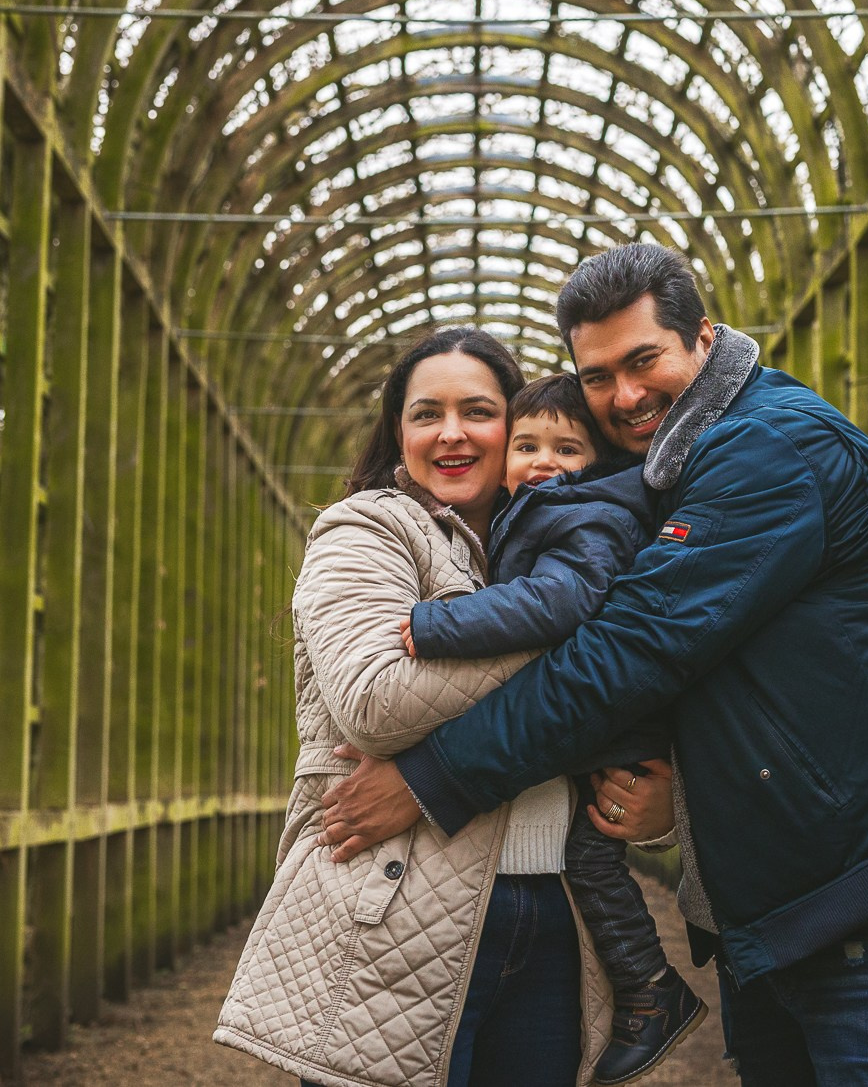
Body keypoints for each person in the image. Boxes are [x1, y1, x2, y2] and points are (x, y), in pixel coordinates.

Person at [319, 245, 868, 1086]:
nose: (624, 394)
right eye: (597, 375)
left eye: (643, 359)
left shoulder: (768, 449)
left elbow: (635, 651)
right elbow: (722, 670)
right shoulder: (670, 477)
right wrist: (679, 792)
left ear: (703, 336)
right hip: (796, 891)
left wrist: (435, 775)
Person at [212, 328, 619, 1087]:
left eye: (479, 411)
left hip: (554, 917)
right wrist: (594, 633)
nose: (453, 432)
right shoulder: (366, 528)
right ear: (399, 433)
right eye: (426, 412)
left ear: (518, 425)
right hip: (391, 910)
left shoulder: (562, 548)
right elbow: (375, 703)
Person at [399, 372, 705, 1084]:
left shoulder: (585, 515)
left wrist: (438, 624)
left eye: (566, 448)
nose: (542, 460)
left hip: (613, 725)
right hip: (595, 723)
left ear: (597, 462)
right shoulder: (539, 511)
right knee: (589, 856)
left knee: (590, 859)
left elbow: (559, 600)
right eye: (527, 443)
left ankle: (649, 988)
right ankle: (647, 987)